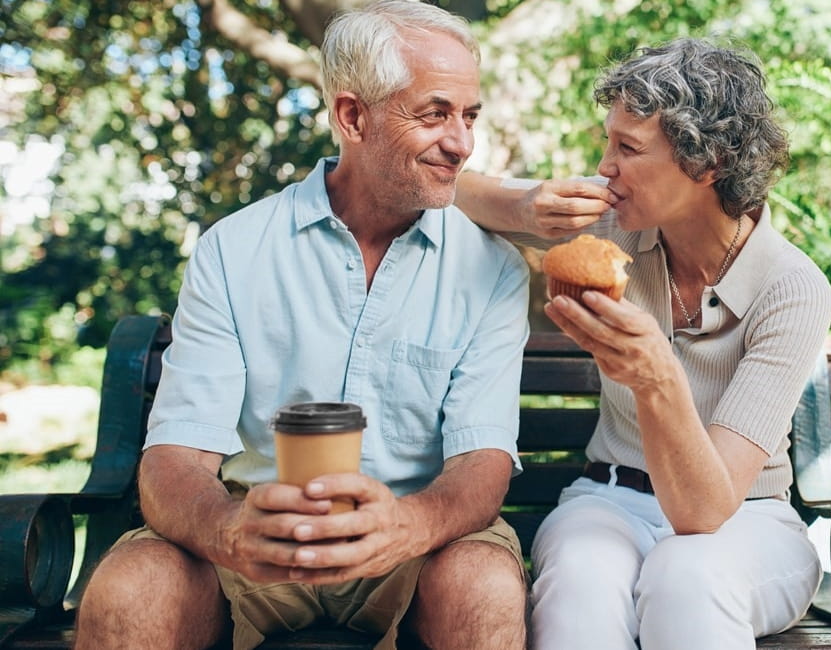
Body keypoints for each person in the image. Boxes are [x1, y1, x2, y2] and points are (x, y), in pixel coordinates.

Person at [74, 2, 529, 649]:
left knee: (481, 583)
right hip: (252, 532)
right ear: (352, 116)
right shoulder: (234, 249)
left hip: (414, 543)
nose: (461, 142)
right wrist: (226, 527)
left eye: (468, 116)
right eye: (435, 114)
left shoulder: (494, 268)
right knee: (130, 590)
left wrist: (409, 524)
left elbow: (480, 461)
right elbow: (177, 454)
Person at [455, 38, 831, 650]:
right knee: (581, 579)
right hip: (607, 500)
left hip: (748, 522)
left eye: (628, 148)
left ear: (706, 162)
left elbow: (704, 513)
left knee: (687, 572)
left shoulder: (793, 289)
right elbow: (452, 189)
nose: (605, 165)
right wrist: (525, 204)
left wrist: (657, 377)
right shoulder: (613, 220)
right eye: (610, 140)